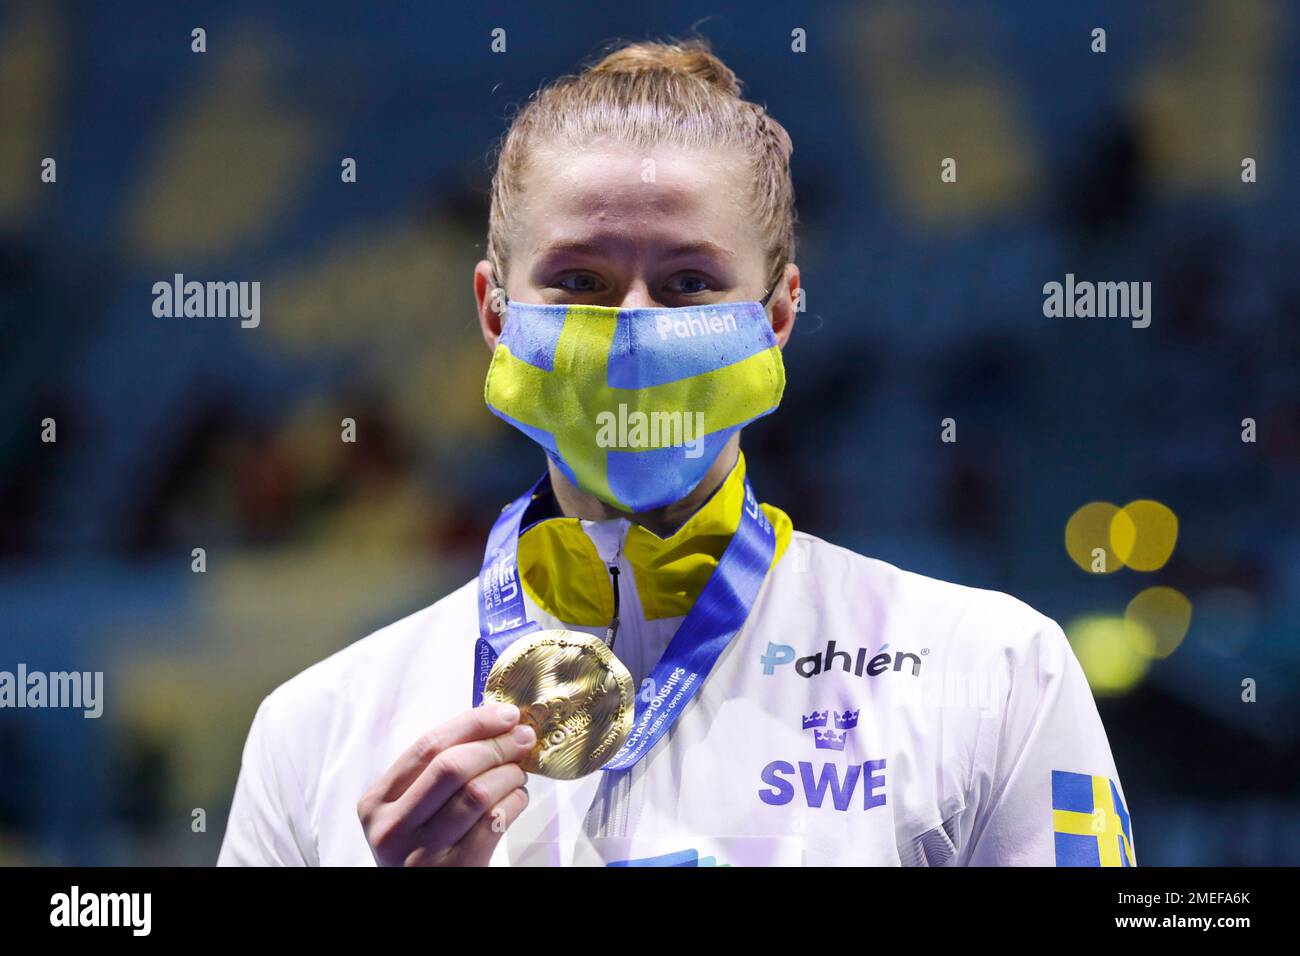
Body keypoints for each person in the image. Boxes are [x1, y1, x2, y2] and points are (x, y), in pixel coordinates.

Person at [217, 38, 1134, 867]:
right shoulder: (317, 733)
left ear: (778, 318)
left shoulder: (992, 672)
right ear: (496, 315)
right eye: (581, 281)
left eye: (691, 283)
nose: (634, 329)